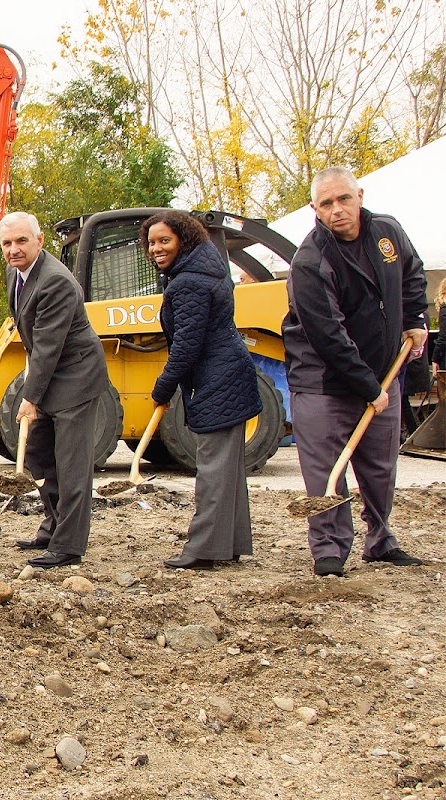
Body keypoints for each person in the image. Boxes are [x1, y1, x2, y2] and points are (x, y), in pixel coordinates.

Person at [283, 166, 428, 577]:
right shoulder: (310, 261)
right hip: (323, 381)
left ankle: (381, 540)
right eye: (326, 204)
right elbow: (328, 335)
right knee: (327, 470)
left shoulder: (388, 233)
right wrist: (368, 387)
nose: (337, 210)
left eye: (343, 199)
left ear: (359, 195)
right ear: (315, 208)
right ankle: (329, 549)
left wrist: (415, 317)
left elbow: (412, 274)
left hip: (383, 373)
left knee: (380, 466)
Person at [141, 211, 261, 569]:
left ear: (184, 240)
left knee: (212, 467)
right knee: (228, 469)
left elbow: (187, 345)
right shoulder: (205, 269)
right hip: (227, 371)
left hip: (218, 377)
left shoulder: (188, 282)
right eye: (151, 242)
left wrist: (163, 387)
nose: (157, 248)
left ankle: (204, 549)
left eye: (165, 240)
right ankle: (230, 543)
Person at [0, 211, 110, 569]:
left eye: (21, 241)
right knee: (42, 456)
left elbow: (48, 346)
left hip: (75, 376)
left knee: (72, 464)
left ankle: (68, 546)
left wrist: (29, 398)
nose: (13, 250)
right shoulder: (15, 273)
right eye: (7, 243)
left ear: (39, 240)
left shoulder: (56, 282)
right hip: (49, 372)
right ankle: (52, 527)